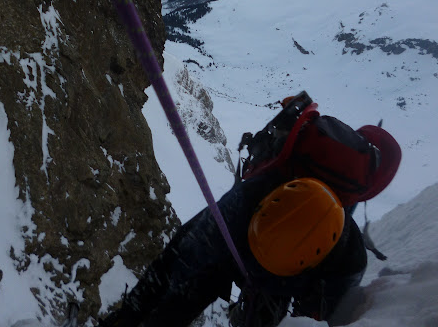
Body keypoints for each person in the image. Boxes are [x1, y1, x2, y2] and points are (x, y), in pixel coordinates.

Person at [100, 92, 402, 327]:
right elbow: (330, 302)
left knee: (183, 276)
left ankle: (127, 319)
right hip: (275, 280)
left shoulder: (300, 162)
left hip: (238, 220)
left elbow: (182, 252)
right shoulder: (344, 228)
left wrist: (133, 310)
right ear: (371, 186)